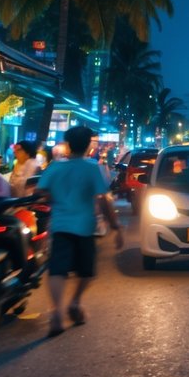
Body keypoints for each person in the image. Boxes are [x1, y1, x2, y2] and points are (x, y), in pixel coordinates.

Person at [34, 126, 122, 338]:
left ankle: (56, 312)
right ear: (88, 145)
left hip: (60, 226)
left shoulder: (55, 167)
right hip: (84, 227)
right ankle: (74, 302)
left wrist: (55, 198)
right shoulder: (92, 168)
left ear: (68, 144)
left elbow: (40, 191)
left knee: (57, 270)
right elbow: (103, 199)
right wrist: (115, 226)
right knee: (86, 271)